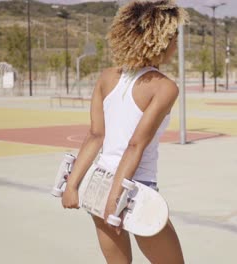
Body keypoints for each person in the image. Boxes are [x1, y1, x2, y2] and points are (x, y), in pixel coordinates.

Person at [61, 1, 188, 263]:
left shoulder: (106, 77)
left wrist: (71, 185)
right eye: (174, 37)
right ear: (160, 41)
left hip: (99, 184)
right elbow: (134, 145)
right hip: (135, 192)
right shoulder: (164, 87)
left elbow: (95, 136)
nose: (176, 44)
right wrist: (115, 201)